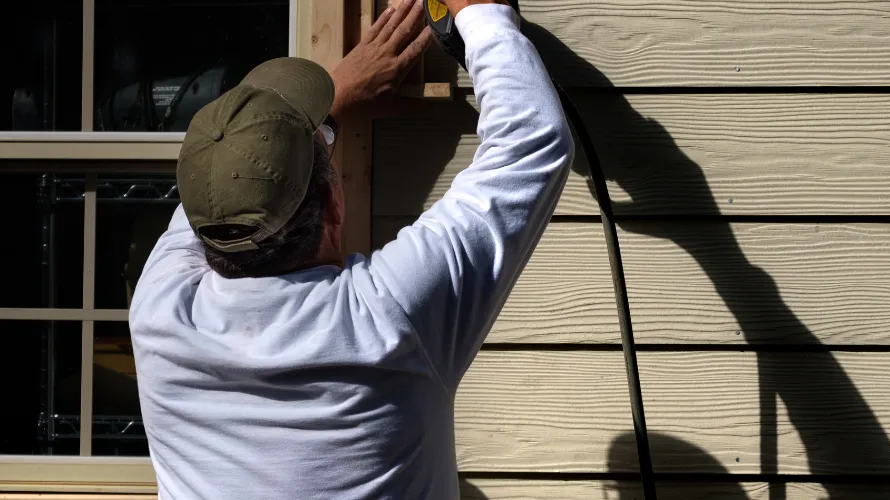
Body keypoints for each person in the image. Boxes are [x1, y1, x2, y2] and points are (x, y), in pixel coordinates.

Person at [127, 0, 573, 497]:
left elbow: (221, 191)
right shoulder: (387, 318)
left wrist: (332, 103)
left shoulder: (158, 311)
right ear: (335, 205)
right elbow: (532, 141)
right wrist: (479, 14)